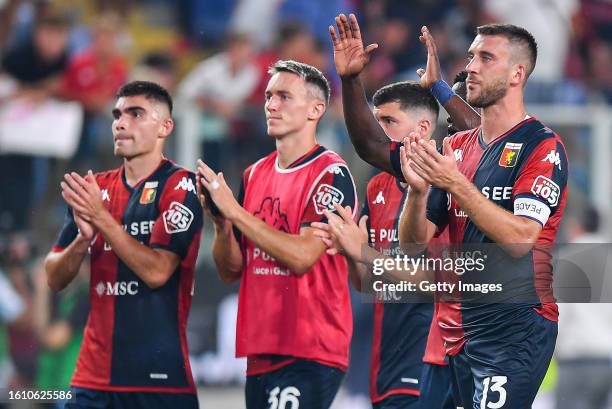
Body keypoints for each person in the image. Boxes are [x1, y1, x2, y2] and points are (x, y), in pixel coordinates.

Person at [397, 23, 569, 408]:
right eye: (472, 55)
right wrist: (418, 190)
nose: (472, 66)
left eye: (486, 57)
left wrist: (454, 183)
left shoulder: (541, 146)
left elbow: (521, 239)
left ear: (516, 74)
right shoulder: (456, 146)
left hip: (517, 323)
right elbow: (412, 243)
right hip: (463, 328)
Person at [197, 60, 357, 409]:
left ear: (317, 109)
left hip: (310, 346)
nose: (271, 104)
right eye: (269, 96)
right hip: (261, 346)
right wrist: (222, 224)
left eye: (284, 96)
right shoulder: (254, 174)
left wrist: (236, 212)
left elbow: (302, 256)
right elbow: (231, 271)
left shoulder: (331, 174)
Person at [44, 81, 203, 408]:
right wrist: (81, 241)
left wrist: (101, 220)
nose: (120, 122)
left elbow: (158, 272)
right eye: (117, 114)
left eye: (135, 114)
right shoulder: (95, 188)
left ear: (165, 127)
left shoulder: (180, 185)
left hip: (159, 380)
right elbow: (54, 277)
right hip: (93, 377)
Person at [314, 81, 441, 409]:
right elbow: (367, 284)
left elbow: (438, 283)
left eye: (389, 121)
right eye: (376, 121)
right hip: (384, 360)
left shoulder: (446, 183)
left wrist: (364, 252)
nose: (378, 131)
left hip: (429, 358)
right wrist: (348, 251)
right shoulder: (377, 186)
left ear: (423, 128)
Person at [327, 13, 480, 178]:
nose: (449, 116)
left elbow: (483, 136)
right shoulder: (437, 165)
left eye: (457, 105)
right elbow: (371, 146)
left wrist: (439, 87)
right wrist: (351, 79)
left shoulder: (505, 156)